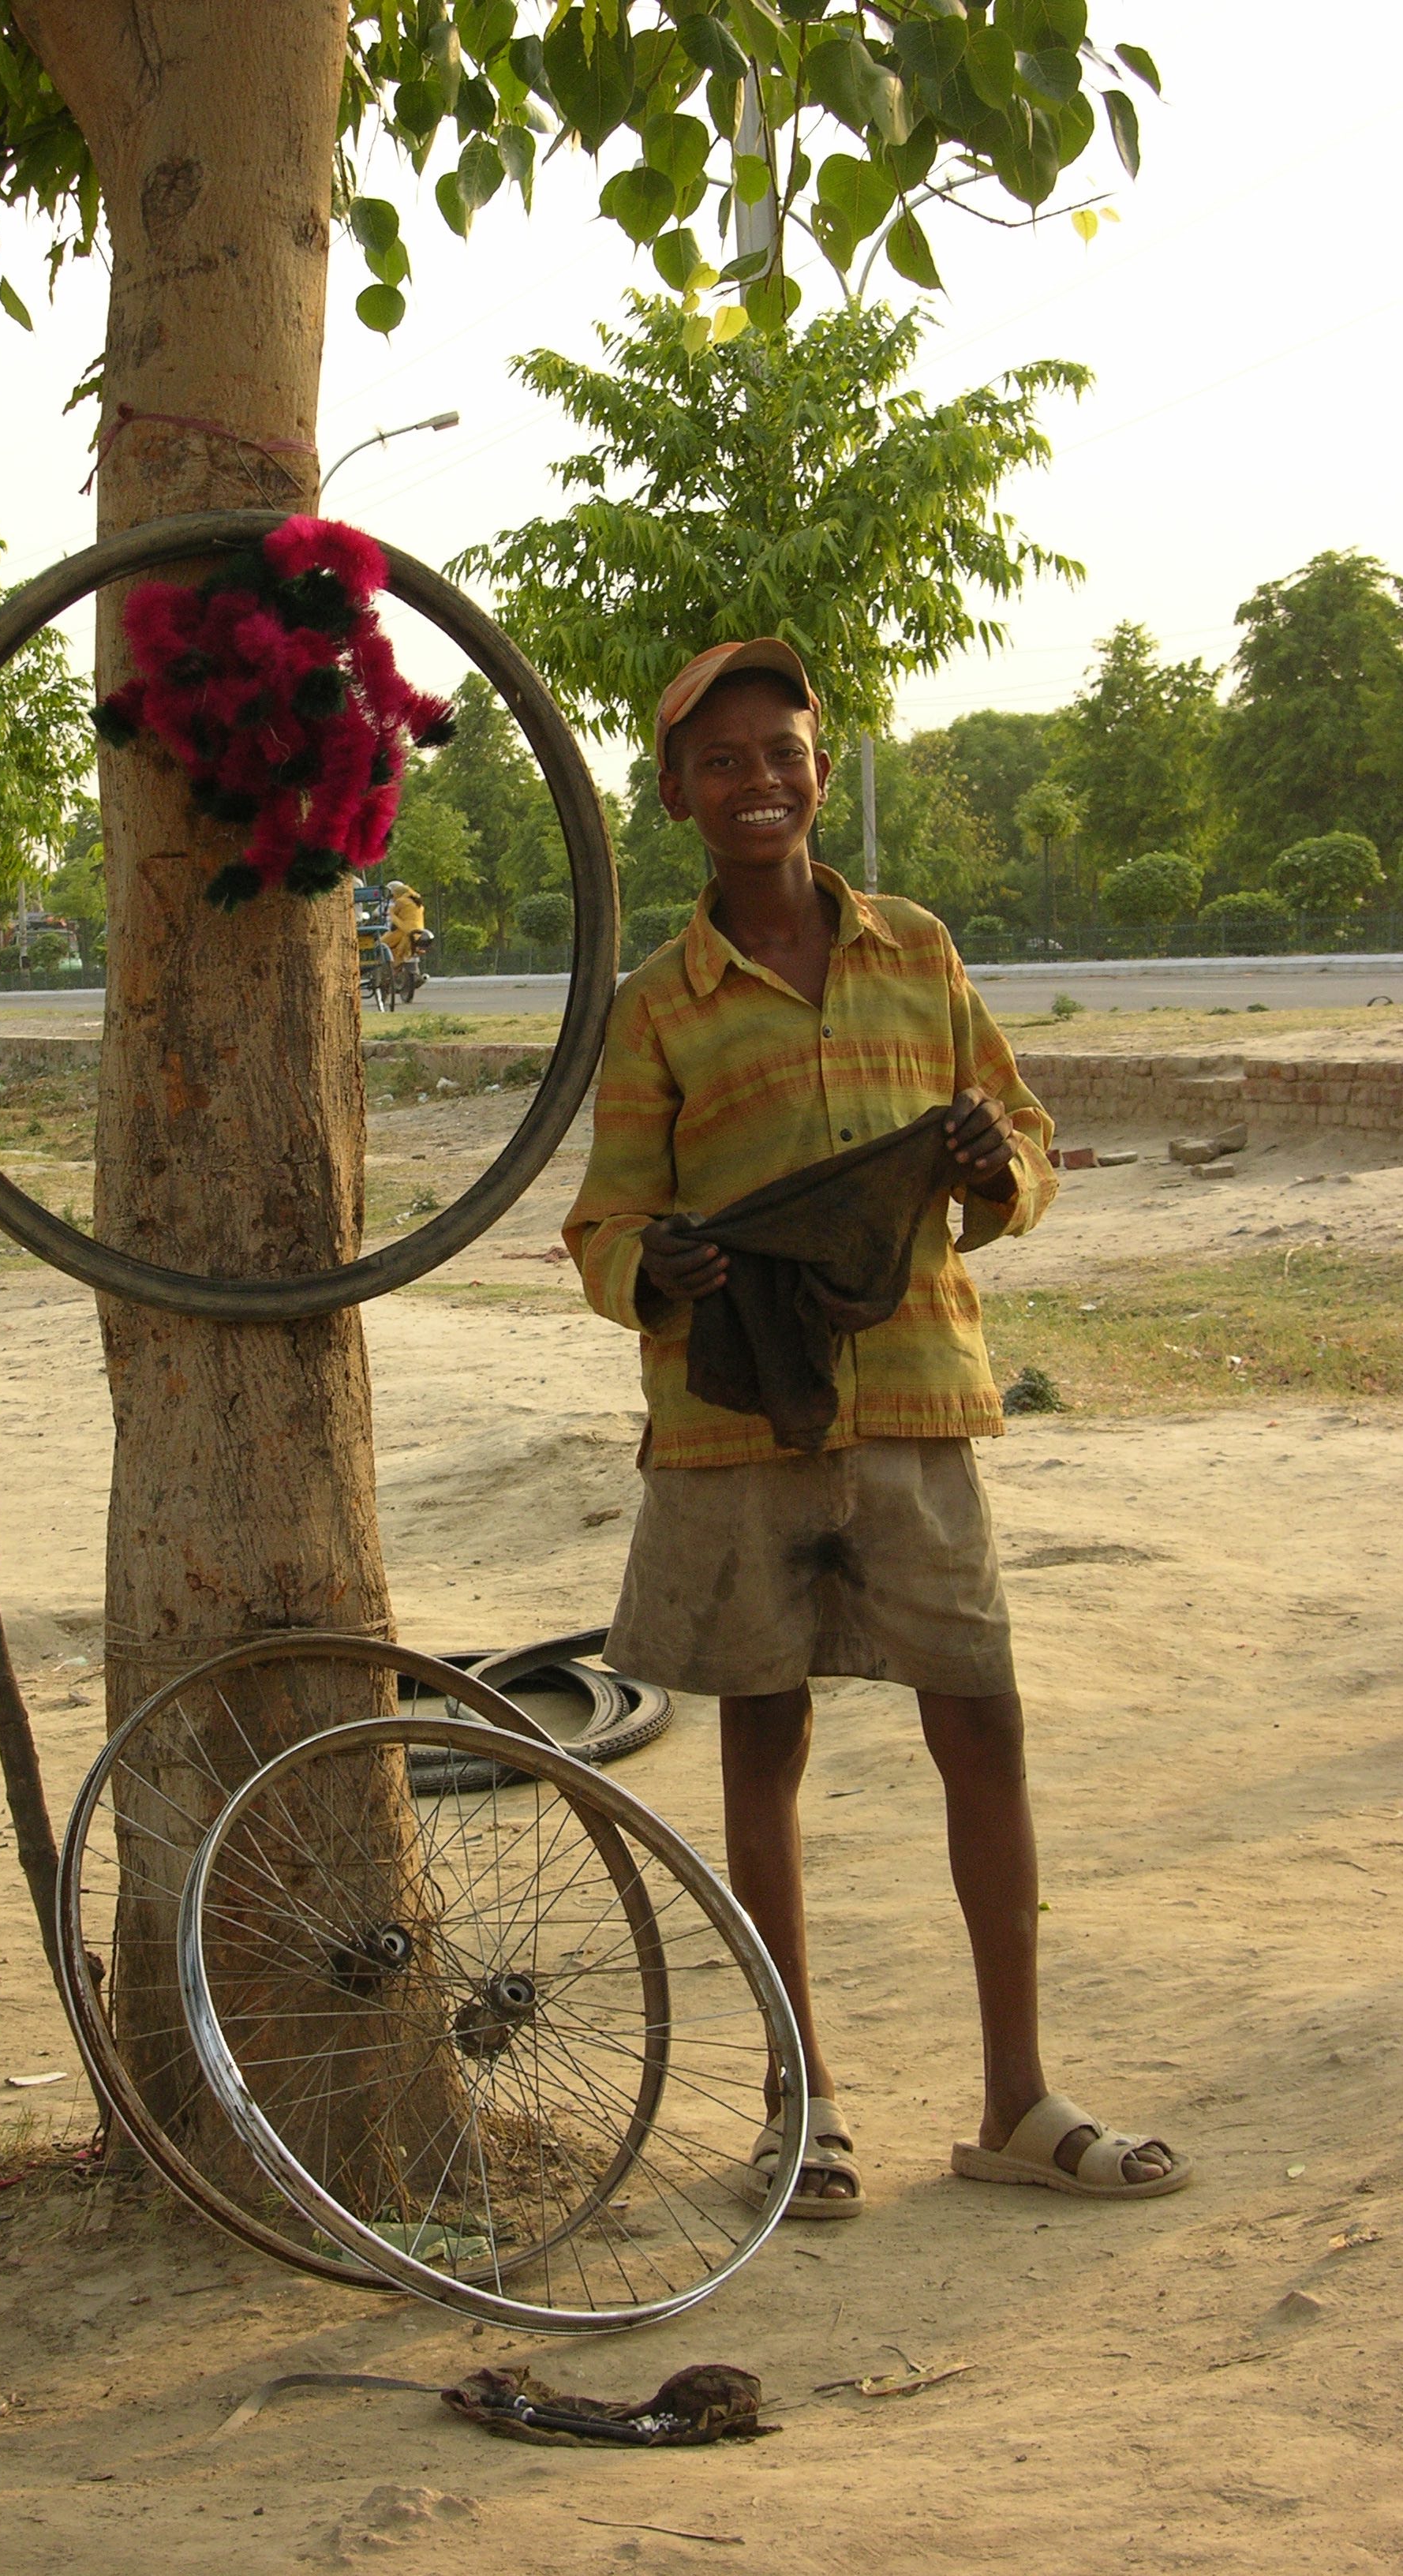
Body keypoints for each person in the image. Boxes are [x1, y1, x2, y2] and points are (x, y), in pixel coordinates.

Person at [564, 638, 1190, 2218]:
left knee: (980, 1723)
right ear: (676, 799)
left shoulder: (918, 952)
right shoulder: (660, 1008)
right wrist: (664, 1265)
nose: (758, 782)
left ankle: (1018, 2101)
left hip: (916, 1402)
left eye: (784, 753)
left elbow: (1025, 1150)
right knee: (763, 1740)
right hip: (737, 1431)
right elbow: (603, 1226)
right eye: (722, 764)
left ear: (822, 772)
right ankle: (807, 2105)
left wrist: (989, 1163)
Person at [384, 879, 425, 966]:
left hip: (405, 930)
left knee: (381, 945)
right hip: (418, 932)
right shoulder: (417, 902)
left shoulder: (400, 901)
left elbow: (394, 915)